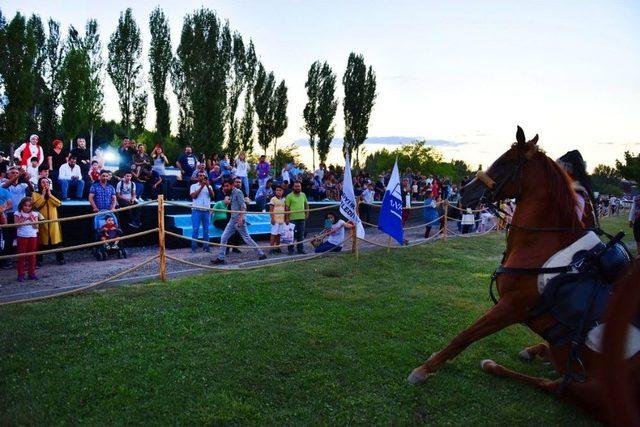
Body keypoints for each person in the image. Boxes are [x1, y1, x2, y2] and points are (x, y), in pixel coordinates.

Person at [211, 179, 267, 264]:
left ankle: (261, 254)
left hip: (238, 220)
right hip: (232, 219)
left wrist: (241, 218)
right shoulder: (230, 193)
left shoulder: (238, 192)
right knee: (224, 237)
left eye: (227, 186)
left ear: (231, 185)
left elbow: (243, 206)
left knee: (247, 238)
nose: (225, 188)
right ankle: (220, 258)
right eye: (224, 186)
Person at [32, 177, 65, 265]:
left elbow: (58, 204)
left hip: (53, 220)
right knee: (41, 241)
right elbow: (36, 206)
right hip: (42, 220)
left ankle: (60, 259)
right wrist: (42, 195)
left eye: (47, 182)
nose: (45, 184)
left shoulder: (54, 193)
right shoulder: (35, 194)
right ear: (39, 184)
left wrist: (49, 195)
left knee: (56, 240)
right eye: (43, 182)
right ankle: (39, 260)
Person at [14, 197, 39, 282]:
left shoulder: (35, 214)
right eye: (25, 205)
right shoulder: (17, 213)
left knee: (32, 255)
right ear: (21, 205)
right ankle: (20, 274)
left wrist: (32, 220)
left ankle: (31, 273)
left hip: (32, 236)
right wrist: (21, 220)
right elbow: (16, 226)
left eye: (29, 206)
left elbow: (36, 226)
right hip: (21, 236)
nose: (27, 207)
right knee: (21, 256)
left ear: (32, 206)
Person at [211, 184, 241, 253]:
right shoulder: (219, 203)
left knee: (236, 230)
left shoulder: (230, 205)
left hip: (226, 220)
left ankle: (235, 248)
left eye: (230, 199)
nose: (229, 200)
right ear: (224, 199)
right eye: (228, 199)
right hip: (218, 221)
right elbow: (212, 211)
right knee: (229, 231)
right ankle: (226, 249)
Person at [189, 171, 215, 253]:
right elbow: (194, 196)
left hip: (206, 211)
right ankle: (194, 248)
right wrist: (201, 187)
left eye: (203, 176)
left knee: (206, 230)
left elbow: (212, 196)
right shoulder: (193, 186)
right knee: (195, 229)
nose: (202, 177)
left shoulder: (209, 186)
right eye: (200, 176)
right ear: (197, 177)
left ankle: (206, 247)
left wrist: (207, 186)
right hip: (196, 211)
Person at [285, 181, 309, 255]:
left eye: (299, 186)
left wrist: (307, 213)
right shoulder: (289, 196)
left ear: (301, 187)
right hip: (292, 219)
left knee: (301, 234)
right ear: (293, 187)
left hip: (302, 218)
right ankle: (290, 250)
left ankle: (300, 249)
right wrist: (287, 218)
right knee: (291, 235)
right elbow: (287, 208)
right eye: (296, 186)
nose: (297, 188)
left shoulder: (303, 195)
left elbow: (306, 205)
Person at [269, 185, 286, 255]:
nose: (278, 192)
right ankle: (271, 249)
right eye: (277, 190)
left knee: (279, 234)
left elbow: (286, 210)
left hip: (282, 220)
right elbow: (271, 210)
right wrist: (272, 219)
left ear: (283, 191)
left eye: (280, 190)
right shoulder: (273, 199)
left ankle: (277, 248)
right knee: (273, 234)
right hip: (275, 220)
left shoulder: (284, 199)